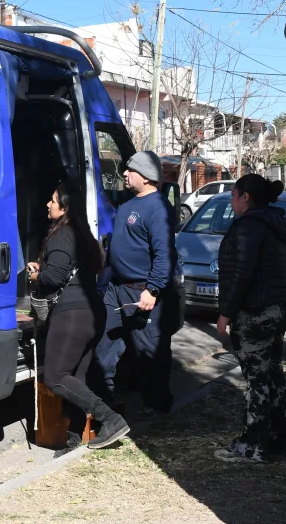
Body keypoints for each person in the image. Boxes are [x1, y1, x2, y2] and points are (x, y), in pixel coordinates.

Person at [28, 181, 130, 456]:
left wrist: (36, 275)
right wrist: (46, 267)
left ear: (64, 207)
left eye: (52, 200)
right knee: (76, 378)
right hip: (91, 311)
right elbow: (68, 269)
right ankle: (73, 440)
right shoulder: (84, 234)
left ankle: (109, 419)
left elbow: (54, 278)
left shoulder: (62, 235)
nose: (48, 205)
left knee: (56, 376)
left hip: (73, 313)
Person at [214, 174, 286, 463]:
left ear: (244, 196)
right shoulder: (275, 224)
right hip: (278, 306)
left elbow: (241, 273)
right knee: (273, 373)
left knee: (256, 378)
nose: (232, 202)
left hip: (255, 311)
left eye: (233, 195)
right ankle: (280, 438)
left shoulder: (249, 227)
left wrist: (225, 312)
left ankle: (254, 445)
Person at [95, 151, 176, 420]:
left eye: (130, 170)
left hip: (141, 292)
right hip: (116, 289)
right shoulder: (127, 204)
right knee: (105, 344)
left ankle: (157, 408)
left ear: (145, 175)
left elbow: (164, 254)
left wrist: (152, 290)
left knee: (149, 351)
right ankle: (104, 404)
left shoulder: (158, 207)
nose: (125, 174)